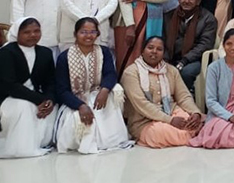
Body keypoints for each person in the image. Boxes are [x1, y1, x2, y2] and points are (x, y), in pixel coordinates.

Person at [53, 18, 131, 154]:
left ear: (98, 34)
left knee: (111, 97)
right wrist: (80, 105)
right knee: (77, 127)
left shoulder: (104, 52)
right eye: (83, 32)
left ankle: (109, 140)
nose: (88, 36)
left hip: (98, 94)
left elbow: (110, 74)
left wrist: (105, 90)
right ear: (75, 34)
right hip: (74, 99)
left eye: (92, 32)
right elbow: (61, 90)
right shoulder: (64, 57)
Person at [122, 36, 204, 147]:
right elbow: (141, 104)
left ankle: (196, 133)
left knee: (193, 124)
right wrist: (170, 120)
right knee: (172, 133)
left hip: (171, 111)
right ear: (142, 50)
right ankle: (196, 136)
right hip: (143, 121)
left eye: (159, 49)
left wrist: (195, 113)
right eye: (150, 48)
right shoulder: (131, 73)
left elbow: (184, 96)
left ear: (164, 53)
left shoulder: (171, 70)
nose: (154, 52)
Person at [190, 28, 234, 149]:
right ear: (223, 45)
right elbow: (211, 100)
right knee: (212, 134)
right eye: (229, 44)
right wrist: (230, 117)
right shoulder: (214, 68)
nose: (233, 48)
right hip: (221, 113)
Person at [0, 17, 57, 158]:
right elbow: (10, 85)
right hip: (8, 98)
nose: (33, 35)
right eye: (27, 32)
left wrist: (49, 99)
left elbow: (51, 82)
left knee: (53, 108)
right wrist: (39, 100)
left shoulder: (45, 53)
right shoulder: (6, 52)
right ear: (17, 34)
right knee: (23, 106)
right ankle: (21, 148)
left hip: (37, 98)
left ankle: (39, 143)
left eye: (36, 31)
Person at [164, 0, 217, 91]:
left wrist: (185, 60)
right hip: (170, 58)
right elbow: (162, 41)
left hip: (194, 60)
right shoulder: (168, 16)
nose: (187, 1)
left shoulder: (208, 19)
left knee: (186, 73)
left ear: (198, 1)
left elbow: (205, 45)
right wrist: (164, 60)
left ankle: (184, 101)